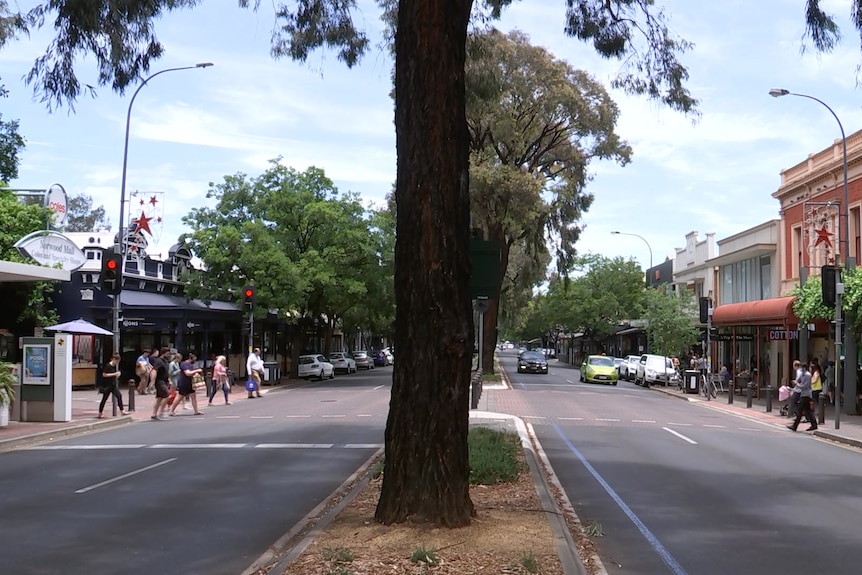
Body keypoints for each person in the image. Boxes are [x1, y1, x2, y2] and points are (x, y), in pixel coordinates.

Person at [788, 361, 817, 432]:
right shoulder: (802, 374)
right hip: (803, 394)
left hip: (806, 395)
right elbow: (798, 380)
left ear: (805, 368)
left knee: (800, 410)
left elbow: (805, 386)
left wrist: (797, 384)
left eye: (803, 368)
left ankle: (795, 426)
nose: (802, 370)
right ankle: (814, 425)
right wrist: (795, 382)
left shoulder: (808, 375)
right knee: (808, 411)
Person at [98, 352, 128, 418]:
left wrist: (116, 375)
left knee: (119, 396)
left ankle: (122, 410)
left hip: (112, 385)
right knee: (104, 399)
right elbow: (104, 374)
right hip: (107, 385)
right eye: (116, 361)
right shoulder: (108, 366)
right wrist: (114, 374)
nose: (116, 363)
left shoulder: (114, 366)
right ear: (113, 359)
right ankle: (100, 413)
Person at [149, 347, 171, 420]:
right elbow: (154, 371)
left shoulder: (164, 361)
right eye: (168, 353)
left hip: (164, 381)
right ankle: (161, 412)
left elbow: (165, 372)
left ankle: (154, 414)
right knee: (167, 395)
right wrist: (152, 382)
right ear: (163, 353)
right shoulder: (159, 361)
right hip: (160, 382)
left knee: (159, 398)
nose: (169, 355)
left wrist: (169, 380)